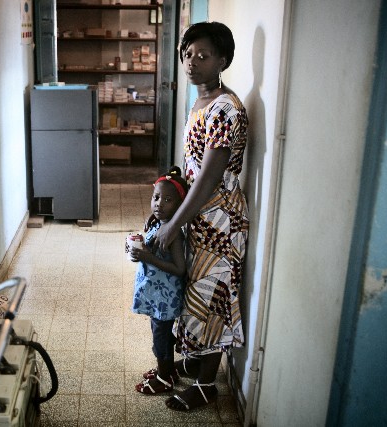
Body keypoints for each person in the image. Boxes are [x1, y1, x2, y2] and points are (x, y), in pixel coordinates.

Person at [152, 21, 250, 411]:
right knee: (196, 295)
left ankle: (208, 385)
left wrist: (174, 225)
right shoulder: (200, 102)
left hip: (220, 223)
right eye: (188, 54)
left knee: (213, 301)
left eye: (203, 55)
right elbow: (192, 168)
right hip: (198, 217)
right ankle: (195, 363)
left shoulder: (226, 109)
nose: (192, 62)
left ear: (222, 60)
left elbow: (209, 179)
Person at [130, 167, 189, 395]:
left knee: (161, 339)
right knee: (159, 335)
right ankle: (167, 370)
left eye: (167, 200)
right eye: (156, 198)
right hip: (156, 296)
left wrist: (147, 257)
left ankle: (165, 378)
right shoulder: (158, 222)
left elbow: (179, 268)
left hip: (164, 300)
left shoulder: (174, 234)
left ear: (179, 205)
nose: (159, 204)